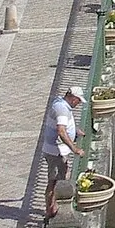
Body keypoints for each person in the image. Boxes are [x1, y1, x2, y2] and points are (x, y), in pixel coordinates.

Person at [42, 86, 85, 218]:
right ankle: (51, 211)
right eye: (78, 101)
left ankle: (54, 207)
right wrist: (75, 149)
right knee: (55, 181)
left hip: (57, 151)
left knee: (60, 179)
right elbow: (61, 131)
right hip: (56, 152)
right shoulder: (61, 109)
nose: (78, 104)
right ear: (72, 98)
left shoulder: (60, 103)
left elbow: (65, 125)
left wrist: (75, 130)